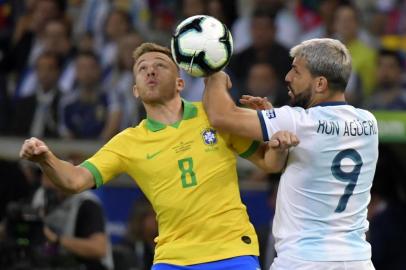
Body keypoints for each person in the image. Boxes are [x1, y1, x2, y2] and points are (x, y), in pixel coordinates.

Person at [19, 42, 299, 270]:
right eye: (142, 69)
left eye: (160, 66)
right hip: (171, 259)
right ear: (135, 90)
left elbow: (268, 163)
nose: (150, 71)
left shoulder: (214, 116)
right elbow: (75, 180)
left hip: (232, 252)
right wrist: (46, 159)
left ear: (179, 83)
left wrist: (278, 145)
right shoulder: (129, 141)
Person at [203, 38, 379, 270]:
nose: (287, 77)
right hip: (358, 260)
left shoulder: (298, 121)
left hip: (304, 260)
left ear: (320, 84)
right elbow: (320, 135)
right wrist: (273, 119)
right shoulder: (368, 122)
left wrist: (213, 72)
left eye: (296, 71)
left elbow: (220, 116)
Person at [31, 172, 114, 270]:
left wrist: (56, 239)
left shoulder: (86, 204)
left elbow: (99, 249)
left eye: (52, 179)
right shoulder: (41, 199)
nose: (48, 185)